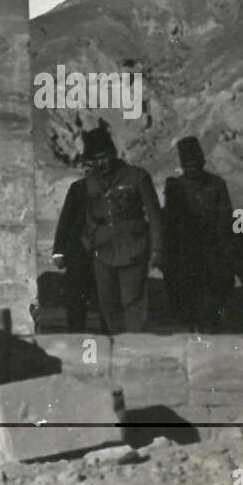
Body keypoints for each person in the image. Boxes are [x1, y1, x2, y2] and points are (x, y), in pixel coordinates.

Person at [79, 128, 163, 334]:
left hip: (132, 247)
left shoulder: (137, 177)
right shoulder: (90, 183)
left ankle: (135, 350)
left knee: (132, 302)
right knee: (107, 304)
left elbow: (154, 216)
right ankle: (115, 351)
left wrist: (157, 249)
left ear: (114, 154)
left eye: (105, 157)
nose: (101, 163)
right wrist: (88, 242)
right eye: (96, 159)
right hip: (103, 252)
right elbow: (85, 216)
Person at [163, 136, 234, 331]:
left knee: (215, 287)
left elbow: (225, 215)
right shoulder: (175, 186)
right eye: (187, 165)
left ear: (202, 162)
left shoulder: (217, 184)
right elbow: (169, 219)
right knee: (183, 288)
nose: (191, 169)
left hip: (212, 245)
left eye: (195, 164)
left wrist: (217, 242)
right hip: (185, 247)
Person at [51, 162, 95, 330]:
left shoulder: (112, 188)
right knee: (76, 295)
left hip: (104, 250)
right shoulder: (78, 188)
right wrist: (58, 252)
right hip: (77, 250)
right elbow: (66, 219)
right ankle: (76, 334)